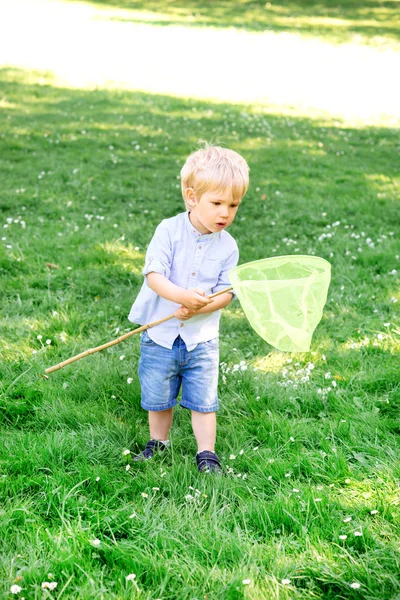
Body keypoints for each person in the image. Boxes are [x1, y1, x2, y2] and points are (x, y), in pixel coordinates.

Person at [128, 143, 249, 472]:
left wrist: (202, 307)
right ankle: (159, 442)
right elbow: (154, 276)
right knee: (158, 394)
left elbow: (227, 292)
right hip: (160, 333)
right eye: (217, 203)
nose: (225, 213)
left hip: (202, 338)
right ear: (192, 197)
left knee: (204, 399)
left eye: (233, 205)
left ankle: (206, 454)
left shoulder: (228, 247)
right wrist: (182, 298)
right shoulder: (168, 230)